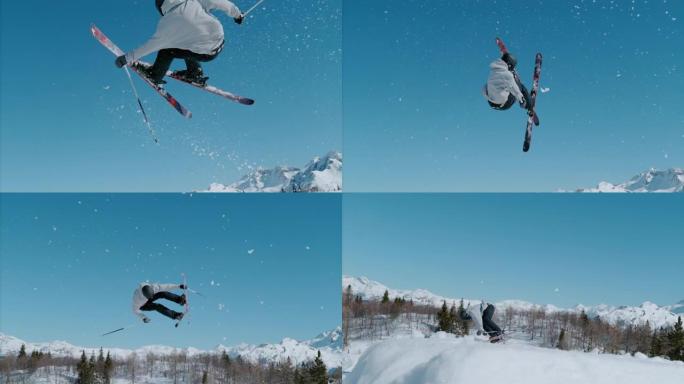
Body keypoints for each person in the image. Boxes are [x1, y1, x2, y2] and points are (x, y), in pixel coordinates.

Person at [114, 0, 245, 86]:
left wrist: (126, 58)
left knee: (167, 50)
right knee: (189, 40)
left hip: (203, 53)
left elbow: (149, 46)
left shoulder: (166, 25)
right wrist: (237, 14)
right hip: (219, 42)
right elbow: (221, 3)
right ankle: (195, 72)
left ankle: (155, 75)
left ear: (161, 8)